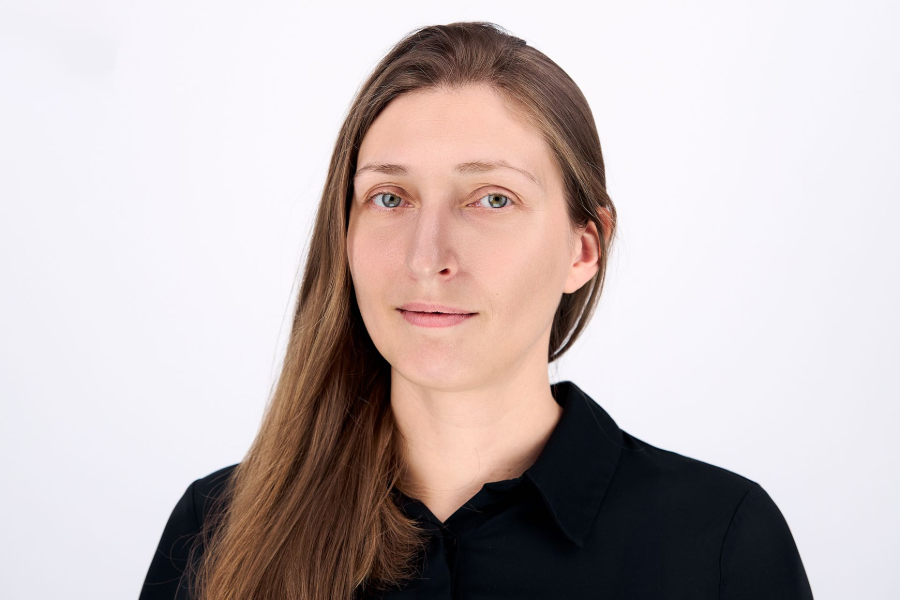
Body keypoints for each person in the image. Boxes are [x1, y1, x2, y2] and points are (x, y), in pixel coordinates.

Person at [139, 21, 814, 600]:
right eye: (390, 198)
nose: (427, 257)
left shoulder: (719, 541)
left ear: (585, 248)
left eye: (492, 199)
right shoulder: (218, 529)